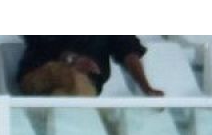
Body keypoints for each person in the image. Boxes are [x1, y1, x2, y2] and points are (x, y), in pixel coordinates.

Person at [17, 36, 163, 97]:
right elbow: (42, 42)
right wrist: (73, 59)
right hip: (38, 73)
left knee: (74, 89)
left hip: (84, 85)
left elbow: (129, 51)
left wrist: (146, 88)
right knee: (73, 78)